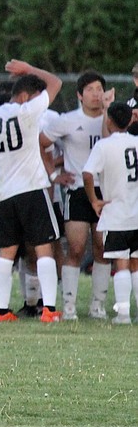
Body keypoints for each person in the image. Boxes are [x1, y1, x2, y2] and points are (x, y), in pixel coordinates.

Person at [0, 60, 63, 323]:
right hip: (31, 189)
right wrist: (30, 68)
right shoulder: (27, 111)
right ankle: (49, 309)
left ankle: (1, 310)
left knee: (5, 253)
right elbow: (56, 83)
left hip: (3, 195)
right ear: (27, 96)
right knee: (43, 249)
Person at [41, 70, 110, 320]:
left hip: (106, 191)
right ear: (80, 95)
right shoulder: (67, 120)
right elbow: (42, 142)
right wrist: (53, 175)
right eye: (90, 90)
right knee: (77, 248)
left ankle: (97, 305)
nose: (96, 94)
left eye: (99, 89)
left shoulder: (110, 119)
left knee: (103, 247)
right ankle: (68, 305)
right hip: (77, 190)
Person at [83, 101, 138, 324]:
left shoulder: (103, 146)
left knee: (121, 264)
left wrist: (94, 200)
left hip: (116, 215)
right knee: (136, 263)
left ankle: (123, 313)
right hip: (136, 213)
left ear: (108, 121)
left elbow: (87, 173)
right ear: (131, 120)